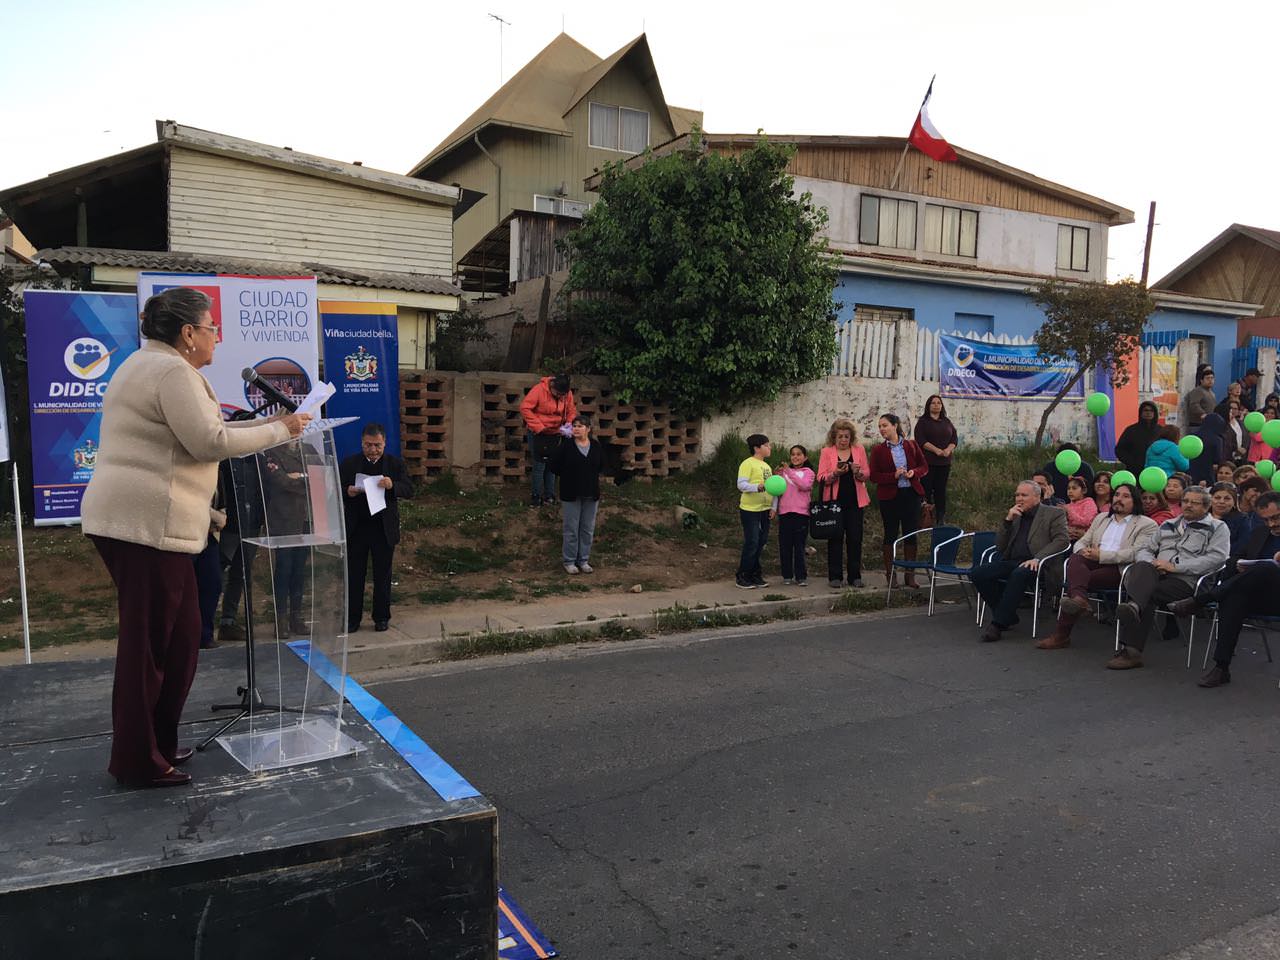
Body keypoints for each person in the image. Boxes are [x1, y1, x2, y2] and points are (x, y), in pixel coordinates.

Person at [81, 288, 308, 788]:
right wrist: (283, 429)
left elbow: (203, 431)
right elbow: (210, 441)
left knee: (182, 638)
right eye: (211, 329)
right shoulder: (171, 372)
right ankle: (137, 760)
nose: (216, 338)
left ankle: (158, 743)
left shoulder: (153, 365)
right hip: (144, 527)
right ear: (188, 333)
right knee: (149, 647)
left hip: (154, 525)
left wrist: (272, 423)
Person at [1107, 485, 1229, 669]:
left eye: (1194, 503)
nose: (1188, 505)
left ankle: (1131, 649)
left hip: (1188, 582)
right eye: (1185, 501)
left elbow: (1217, 559)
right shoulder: (1168, 525)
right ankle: (1133, 611)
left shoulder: (1217, 528)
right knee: (1142, 568)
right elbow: (1145, 549)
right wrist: (1153, 563)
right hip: (1157, 574)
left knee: (1145, 593)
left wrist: (1175, 567)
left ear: (1206, 506)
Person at [1167, 492, 1280, 687]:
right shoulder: (1260, 533)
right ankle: (1221, 667)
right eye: (1266, 520)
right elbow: (1233, 559)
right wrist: (1238, 564)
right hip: (1258, 595)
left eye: (1276, 518)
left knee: (1266, 568)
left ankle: (1201, 600)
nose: (1271, 524)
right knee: (1233, 599)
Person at [1035, 483, 1157, 650]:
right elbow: (1082, 541)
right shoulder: (1102, 518)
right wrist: (1083, 550)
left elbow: (1135, 553)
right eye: (1117, 495)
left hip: (1120, 568)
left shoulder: (1146, 524)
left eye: (1125, 496)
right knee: (1076, 559)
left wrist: (1102, 555)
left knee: (1077, 583)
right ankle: (1079, 600)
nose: (1119, 499)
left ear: (1135, 501)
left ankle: (1062, 632)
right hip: (1092, 560)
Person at [971, 480, 1069, 642]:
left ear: (1037, 497)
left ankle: (997, 624)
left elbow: (1062, 540)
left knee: (1019, 574)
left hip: (1041, 564)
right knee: (978, 573)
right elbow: (1000, 546)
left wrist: (1038, 558)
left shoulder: (1054, 513)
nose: (1019, 499)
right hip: (1013, 561)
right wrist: (1008, 521)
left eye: (1024, 495)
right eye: (1017, 495)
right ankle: (1007, 615)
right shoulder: (1016, 515)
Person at [341, 423, 413, 633]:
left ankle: (381, 617)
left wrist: (392, 486)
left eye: (377, 445)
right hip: (357, 528)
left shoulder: (395, 464)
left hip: (383, 528)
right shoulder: (350, 463)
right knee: (355, 575)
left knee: (382, 575)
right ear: (361, 443)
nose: (373, 450)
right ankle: (352, 618)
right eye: (368, 445)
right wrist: (348, 491)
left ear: (384, 443)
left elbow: (409, 489)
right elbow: (335, 486)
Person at [868, 414, 929, 588]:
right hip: (889, 497)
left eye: (885, 425)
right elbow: (874, 476)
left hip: (910, 494)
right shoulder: (878, 450)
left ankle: (910, 575)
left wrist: (913, 473)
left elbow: (924, 466)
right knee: (890, 534)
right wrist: (892, 476)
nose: (882, 429)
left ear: (895, 426)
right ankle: (891, 574)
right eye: (880, 426)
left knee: (910, 533)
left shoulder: (911, 445)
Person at [816, 418, 870, 589]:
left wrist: (858, 473)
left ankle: (855, 576)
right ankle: (835, 576)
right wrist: (835, 473)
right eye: (840, 436)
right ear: (834, 437)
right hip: (834, 503)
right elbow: (820, 477)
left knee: (855, 539)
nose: (843, 440)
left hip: (855, 502)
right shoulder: (826, 452)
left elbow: (867, 473)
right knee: (835, 539)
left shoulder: (859, 450)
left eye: (847, 436)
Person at [548, 414, 605, 575]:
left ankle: (583, 560)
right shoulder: (566, 446)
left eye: (580, 426)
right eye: (574, 426)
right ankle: (569, 561)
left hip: (591, 492)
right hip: (571, 492)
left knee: (587, 529)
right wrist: (568, 476)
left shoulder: (595, 446)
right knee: (571, 528)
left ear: (588, 429)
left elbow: (601, 465)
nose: (576, 429)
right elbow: (554, 465)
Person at [520, 373, 576, 507]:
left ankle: (549, 495)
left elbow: (571, 410)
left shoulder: (567, 394)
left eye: (563, 395)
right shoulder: (539, 390)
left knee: (552, 465)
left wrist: (568, 424)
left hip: (556, 433)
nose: (560, 397)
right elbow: (525, 408)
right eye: (558, 394)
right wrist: (538, 426)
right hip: (538, 433)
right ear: (552, 386)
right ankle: (536, 496)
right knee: (539, 465)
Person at [735, 434, 773, 589]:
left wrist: (773, 507)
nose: (770, 448)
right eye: (767, 445)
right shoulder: (748, 463)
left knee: (761, 542)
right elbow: (741, 484)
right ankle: (742, 576)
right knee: (752, 542)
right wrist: (757, 487)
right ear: (757, 448)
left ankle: (755, 574)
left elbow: (772, 488)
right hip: (750, 510)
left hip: (765, 509)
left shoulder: (767, 467)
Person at [914, 394, 958, 525]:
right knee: (926, 490)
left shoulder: (946, 422)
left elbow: (954, 438)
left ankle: (940, 518)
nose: (936, 405)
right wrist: (936, 450)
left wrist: (948, 449)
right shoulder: (923, 422)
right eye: (933, 403)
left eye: (939, 403)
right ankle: (925, 517)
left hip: (944, 463)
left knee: (940, 490)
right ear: (928, 406)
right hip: (928, 463)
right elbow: (921, 440)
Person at [775, 444, 816, 586]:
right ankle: (787, 575)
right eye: (793, 454)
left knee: (799, 545)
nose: (795, 457)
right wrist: (777, 475)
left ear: (805, 457)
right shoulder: (784, 473)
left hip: (801, 513)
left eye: (799, 454)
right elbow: (777, 489)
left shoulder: (808, 472)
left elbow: (804, 486)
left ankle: (801, 576)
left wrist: (789, 471)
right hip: (785, 512)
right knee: (785, 545)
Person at [1115, 401, 1162, 476]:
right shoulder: (1131, 430)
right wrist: (1132, 462)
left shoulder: (1161, 431)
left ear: (1155, 413)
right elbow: (1119, 450)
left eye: (1151, 410)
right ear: (1141, 412)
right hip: (1134, 472)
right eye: (1146, 410)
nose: (1148, 413)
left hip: (1156, 472)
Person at [1209, 481, 1250, 551]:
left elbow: (1242, 545)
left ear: (1234, 502)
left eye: (1227, 499)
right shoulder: (1200, 517)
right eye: (1217, 498)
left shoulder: (1242, 519)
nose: (1221, 501)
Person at [1188, 412, 1225, 484]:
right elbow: (1217, 458)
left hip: (1191, 469)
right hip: (1208, 471)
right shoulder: (1217, 439)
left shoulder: (1192, 435)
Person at [1064, 475, 1099, 541]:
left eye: (1074, 488)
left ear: (1084, 490)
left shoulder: (1089, 502)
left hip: (1085, 540)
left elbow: (1086, 522)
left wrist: (1069, 511)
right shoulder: (1067, 506)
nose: (1070, 491)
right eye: (1068, 488)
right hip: (1068, 540)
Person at [1183, 364, 1216, 428]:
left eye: (1212, 378)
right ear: (1201, 380)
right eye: (1207, 378)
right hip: (1198, 425)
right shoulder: (1198, 390)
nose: (1210, 380)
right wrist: (1202, 413)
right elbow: (1194, 404)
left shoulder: (1212, 393)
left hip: (1208, 423)